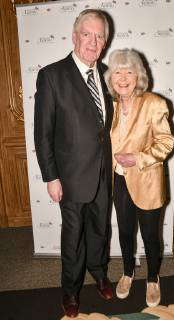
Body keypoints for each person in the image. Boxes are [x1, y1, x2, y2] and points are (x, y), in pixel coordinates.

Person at [34, 9, 114, 318]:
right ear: (74, 35)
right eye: (87, 34)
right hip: (69, 177)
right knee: (73, 239)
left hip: (104, 174)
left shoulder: (109, 74)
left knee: (100, 231)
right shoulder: (52, 75)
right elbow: (43, 133)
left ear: (104, 41)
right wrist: (51, 177)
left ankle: (99, 272)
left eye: (99, 36)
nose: (93, 42)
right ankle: (70, 290)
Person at [104, 49, 174, 307]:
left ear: (139, 76)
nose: (123, 78)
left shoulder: (154, 103)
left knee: (150, 236)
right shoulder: (108, 106)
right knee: (124, 232)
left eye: (129, 71)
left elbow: (166, 142)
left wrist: (139, 158)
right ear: (111, 77)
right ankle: (127, 272)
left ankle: (153, 278)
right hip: (119, 181)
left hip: (147, 181)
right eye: (118, 72)